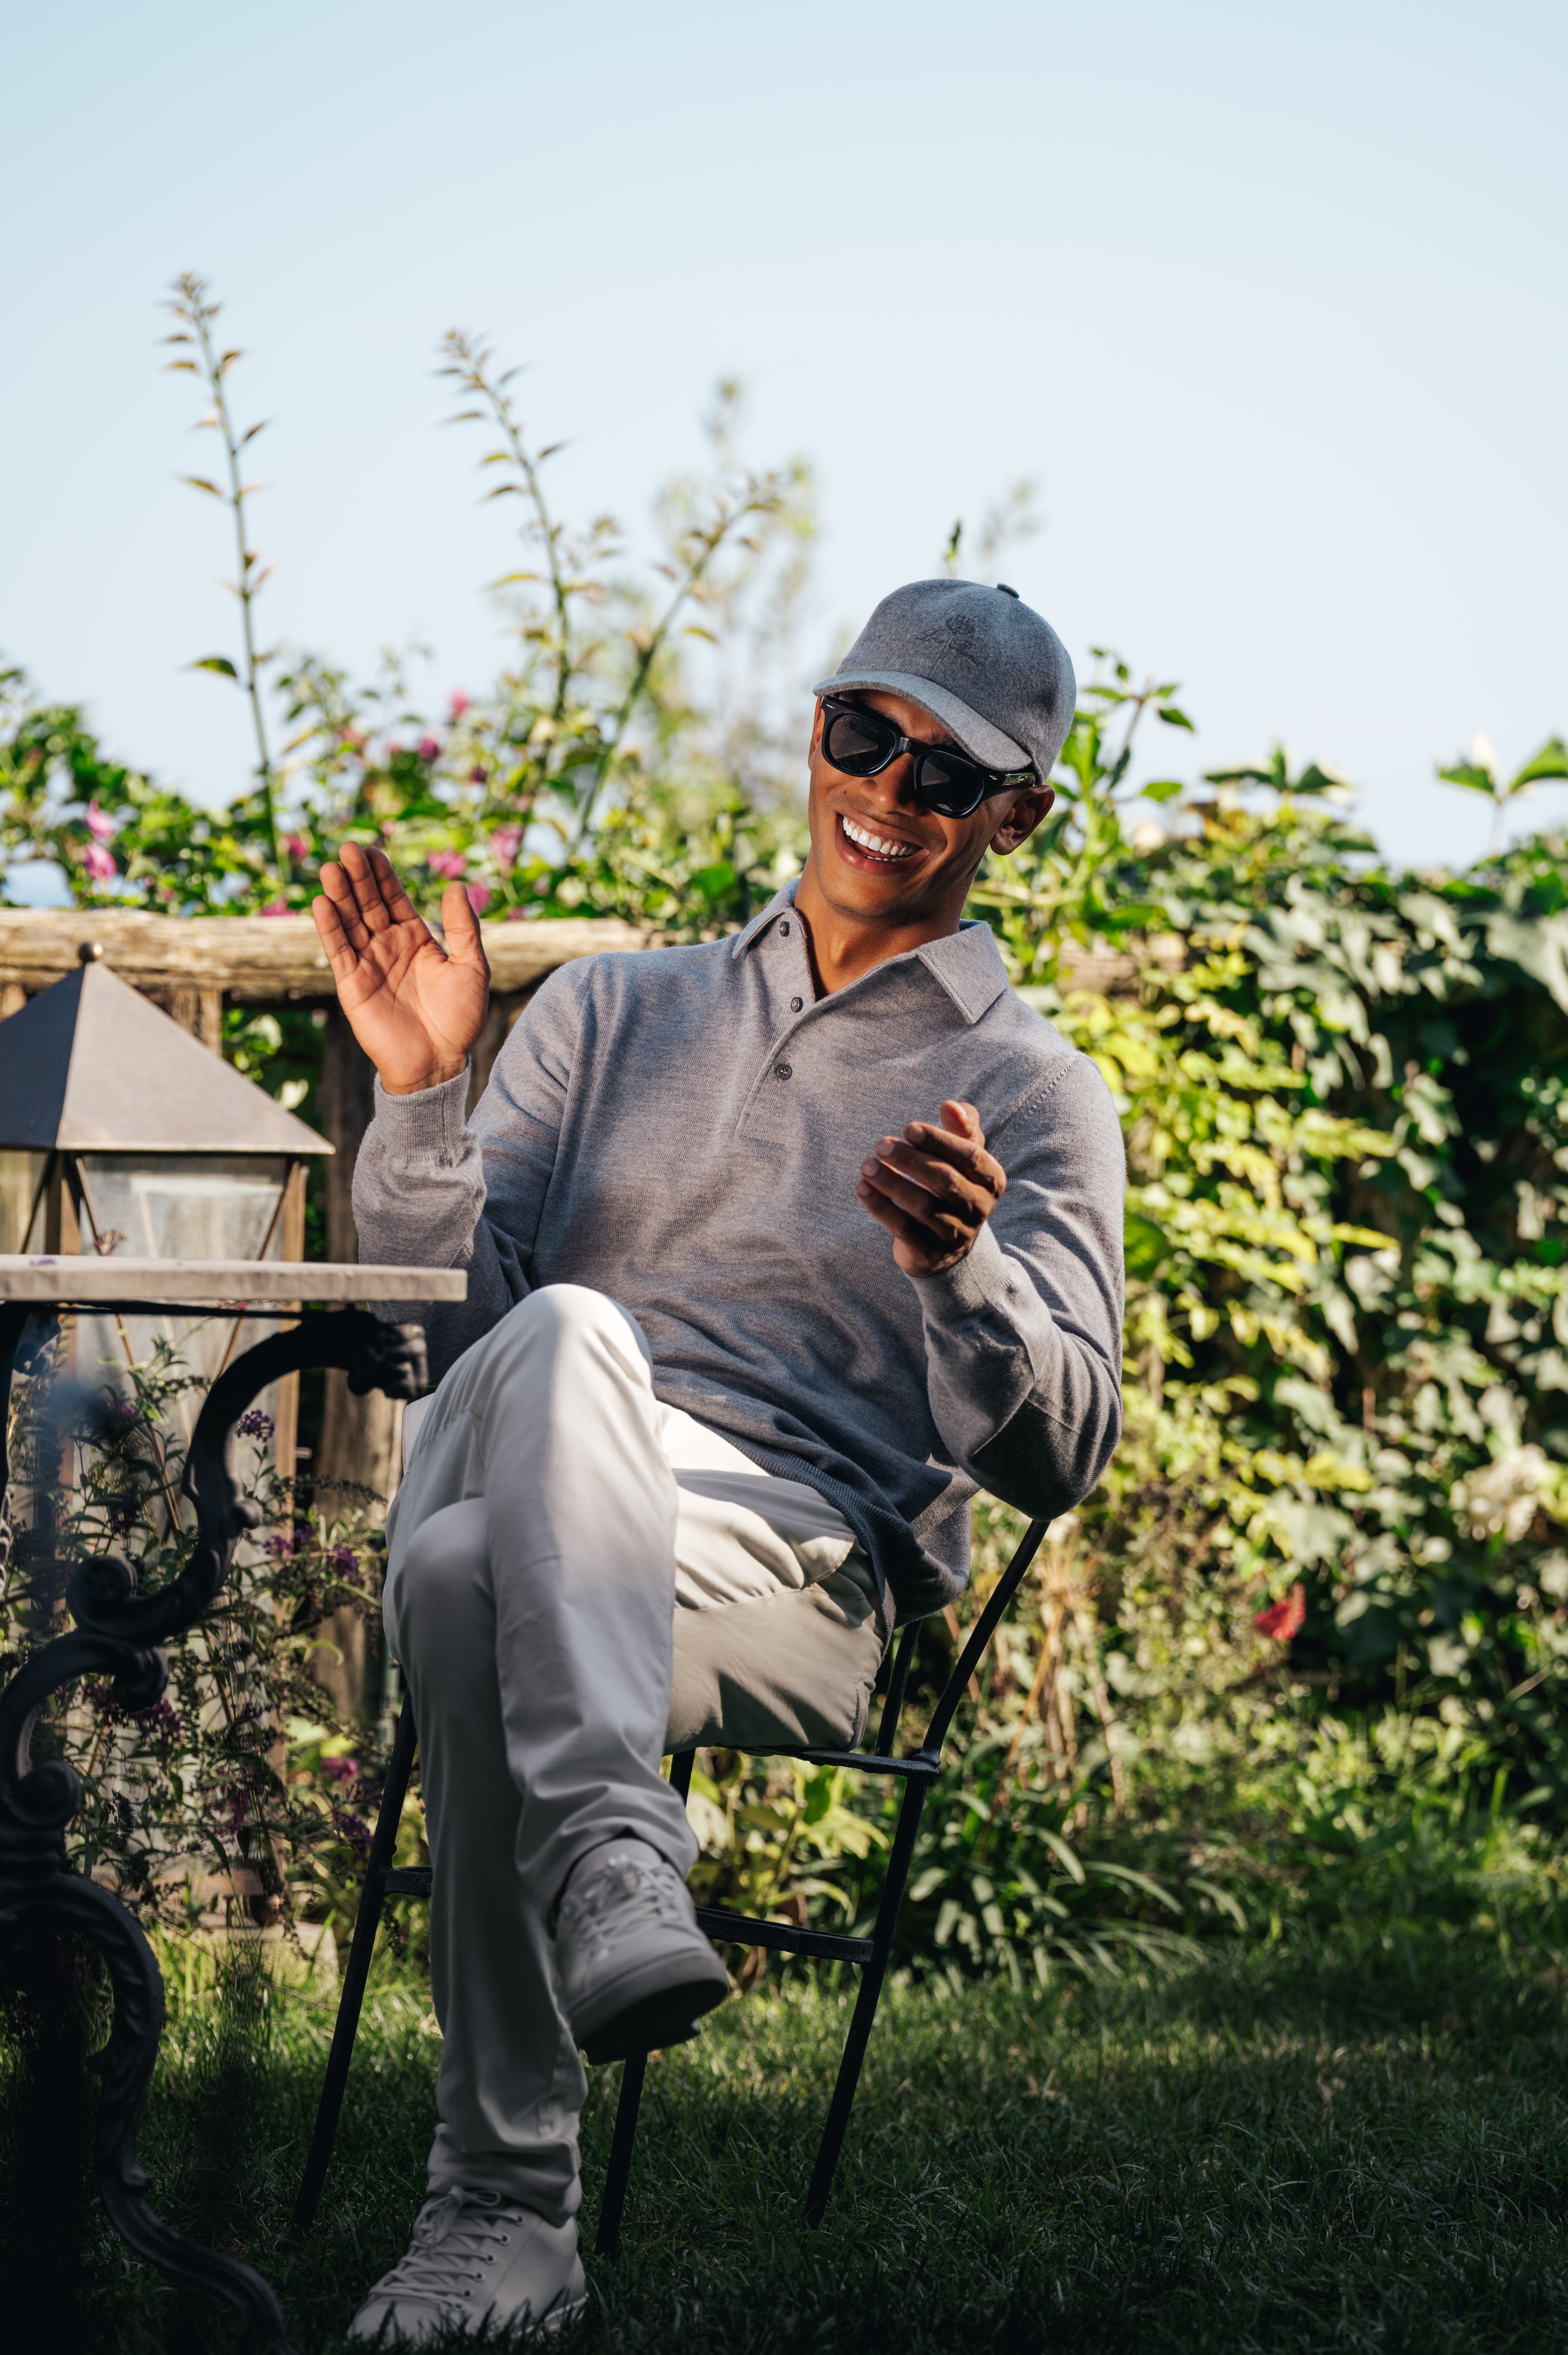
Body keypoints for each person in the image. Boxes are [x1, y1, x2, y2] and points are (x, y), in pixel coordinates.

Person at [313, 578, 1126, 2344]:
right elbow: (448, 1341)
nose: (888, 789)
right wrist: (426, 1098)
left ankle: (500, 2205)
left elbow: (1064, 1455)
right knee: (558, 1351)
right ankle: (615, 1858)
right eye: (863, 733)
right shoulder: (609, 1011)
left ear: (1014, 816)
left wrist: (962, 1273)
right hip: (549, 1474)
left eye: (944, 770)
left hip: (793, 1577)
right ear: (814, 729)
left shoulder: (1034, 1091)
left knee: (455, 1571)